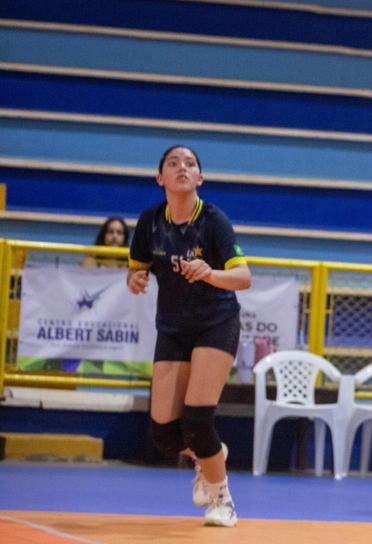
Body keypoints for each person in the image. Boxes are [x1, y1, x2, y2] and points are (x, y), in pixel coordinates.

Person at [126, 145, 250, 527]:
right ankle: (209, 456)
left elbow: (243, 277)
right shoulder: (149, 222)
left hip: (216, 322)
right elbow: (136, 269)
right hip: (173, 328)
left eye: (190, 164)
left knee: (197, 420)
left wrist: (210, 273)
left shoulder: (214, 221)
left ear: (200, 178)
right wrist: (135, 279)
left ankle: (223, 499)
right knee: (165, 434)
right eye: (173, 163)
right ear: (160, 178)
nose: (182, 167)